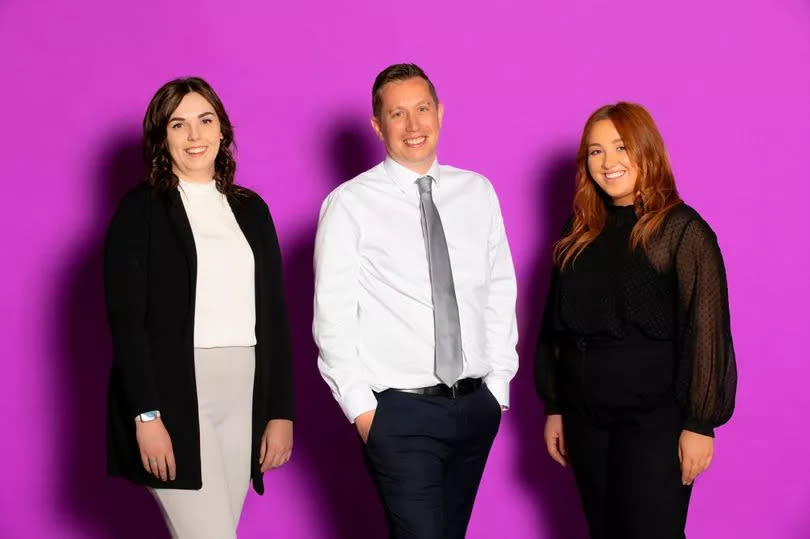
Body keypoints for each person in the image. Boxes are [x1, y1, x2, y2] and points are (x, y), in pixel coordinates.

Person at [313, 63, 518, 539]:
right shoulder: (349, 204)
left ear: (440, 112)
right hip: (400, 415)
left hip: (474, 406)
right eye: (397, 113)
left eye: (422, 108)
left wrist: (499, 387)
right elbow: (333, 317)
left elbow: (499, 290)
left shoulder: (477, 192)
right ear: (377, 125)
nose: (413, 125)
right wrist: (364, 413)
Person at [535, 102, 737, 538]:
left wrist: (700, 424)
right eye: (595, 151)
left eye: (621, 146)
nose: (608, 162)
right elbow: (557, 323)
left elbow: (707, 331)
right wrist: (555, 405)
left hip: (654, 421)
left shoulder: (682, 231)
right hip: (585, 417)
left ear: (647, 150)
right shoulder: (579, 229)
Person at [104, 77, 294, 539]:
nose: (195, 136)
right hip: (174, 396)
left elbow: (274, 316)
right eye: (179, 124)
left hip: (244, 391)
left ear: (222, 131)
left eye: (205, 121)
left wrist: (279, 411)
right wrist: (146, 416)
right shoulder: (141, 210)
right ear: (161, 137)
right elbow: (127, 323)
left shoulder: (251, 210)